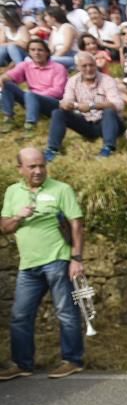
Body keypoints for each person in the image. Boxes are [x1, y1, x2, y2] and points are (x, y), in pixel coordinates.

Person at [0, 147, 86, 381]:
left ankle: (72, 360)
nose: (38, 171)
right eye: (32, 167)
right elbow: (4, 227)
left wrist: (76, 259)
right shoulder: (12, 192)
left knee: (66, 312)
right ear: (20, 169)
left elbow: (76, 224)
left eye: (41, 165)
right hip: (28, 264)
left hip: (57, 259)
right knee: (20, 315)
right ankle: (22, 364)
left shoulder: (61, 189)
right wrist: (19, 216)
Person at [44, 51, 124, 161]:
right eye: (84, 66)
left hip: (108, 123)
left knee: (109, 110)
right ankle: (52, 149)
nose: (88, 69)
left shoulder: (107, 80)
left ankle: (108, 148)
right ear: (78, 68)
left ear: (95, 65)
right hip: (87, 123)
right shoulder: (72, 81)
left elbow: (118, 104)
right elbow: (67, 99)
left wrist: (93, 106)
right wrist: (66, 104)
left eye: (91, 65)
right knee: (58, 112)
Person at [0, 38, 67, 133]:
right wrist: (2, 79)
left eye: (40, 50)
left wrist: (35, 95)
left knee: (30, 94)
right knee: (7, 84)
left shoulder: (58, 68)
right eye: (33, 50)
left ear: (47, 52)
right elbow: (9, 75)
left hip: (51, 103)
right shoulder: (25, 65)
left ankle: (30, 124)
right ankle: (8, 118)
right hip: (30, 100)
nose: (36, 53)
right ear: (29, 53)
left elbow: (58, 91)